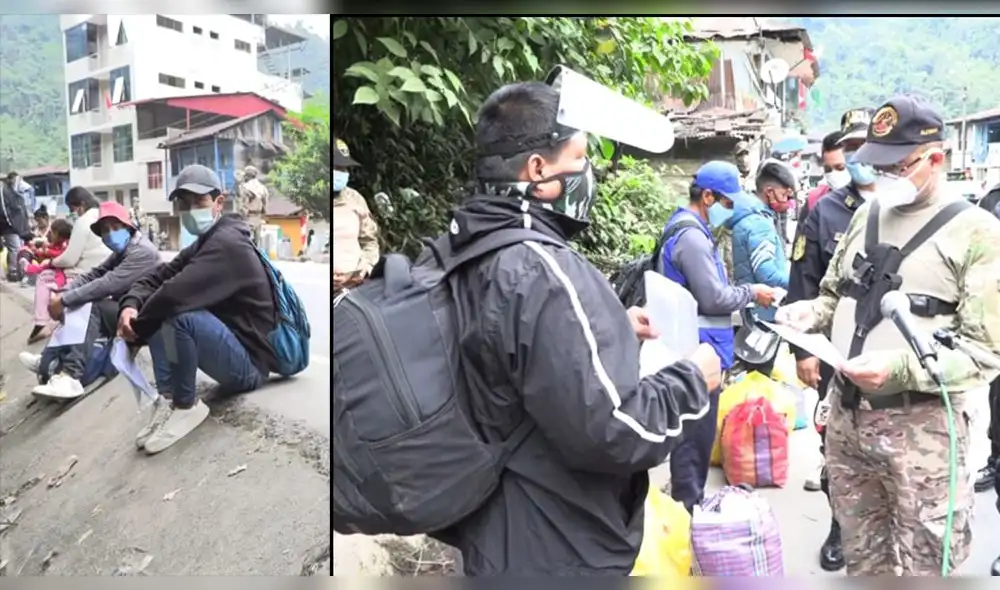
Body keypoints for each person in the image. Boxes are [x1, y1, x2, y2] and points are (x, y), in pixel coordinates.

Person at [430, 81, 718, 576]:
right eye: (581, 158)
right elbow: (614, 431)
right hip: (555, 539)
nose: (588, 172)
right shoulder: (541, 269)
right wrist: (693, 379)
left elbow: (503, 356)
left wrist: (611, 327)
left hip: (491, 525)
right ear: (538, 170)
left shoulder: (460, 247)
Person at [777, 95, 1000, 576]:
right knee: (863, 557)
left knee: (925, 565)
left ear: (935, 158)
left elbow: (985, 353)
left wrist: (899, 368)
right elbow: (836, 293)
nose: (883, 177)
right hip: (848, 421)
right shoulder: (868, 215)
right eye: (877, 165)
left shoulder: (978, 233)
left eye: (897, 166)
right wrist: (810, 314)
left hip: (923, 432)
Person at [116, 165, 278, 455]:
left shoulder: (227, 244)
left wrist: (135, 333)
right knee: (159, 311)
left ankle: (186, 405)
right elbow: (158, 276)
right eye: (185, 203)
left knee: (176, 314)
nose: (191, 210)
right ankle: (169, 400)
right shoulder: (208, 240)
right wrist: (130, 305)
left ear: (219, 202)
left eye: (199, 201)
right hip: (228, 349)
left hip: (249, 366)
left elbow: (173, 294)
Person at [785, 107, 877, 572]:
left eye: (864, 147)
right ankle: (841, 524)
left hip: (891, 356)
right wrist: (803, 352)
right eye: (850, 150)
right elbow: (803, 281)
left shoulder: (906, 207)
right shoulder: (823, 210)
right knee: (835, 445)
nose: (858, 159)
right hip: (835, 354)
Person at [658, 160, 778, 513]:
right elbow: (712, 298)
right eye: (727, 202)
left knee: (691, 429)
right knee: (695, 433)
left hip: (698, 346)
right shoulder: (693, 239)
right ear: (708, 197)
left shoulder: (687, 227)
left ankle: (686, 496)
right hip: (700, 350)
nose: (730, 209)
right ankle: (688, 506)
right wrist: (752, 292)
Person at [19, 201, 160, 399]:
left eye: (115, 227)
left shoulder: (142, 252)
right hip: (127, 310)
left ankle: (71, 376)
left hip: (143, 317)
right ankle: (48, 358)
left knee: (89, 303)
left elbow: (107, 283)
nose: (110, 234)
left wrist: (65, 299)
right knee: (78, 300)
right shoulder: (124, 250)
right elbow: (95, 274)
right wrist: (64, 294)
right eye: (105, 230)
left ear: (128, 226)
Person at [27, 187, 111, 343]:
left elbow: (70, 259)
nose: (74, 213)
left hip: (85, 273)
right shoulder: (103, 215)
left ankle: (41, 324)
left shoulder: (84, 221)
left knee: (45, 277)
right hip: (105, 273)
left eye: (73, 209)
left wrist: (51, 262)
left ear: (81, 204)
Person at [726, 160, 792, 327]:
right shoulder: (759, 224)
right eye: (784, 195)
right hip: (765, 310)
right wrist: (799, 282)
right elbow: (767, 275)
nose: (787, 202)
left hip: (752, 307)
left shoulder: (748, 217)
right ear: (769, 192)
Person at [333, 137, 380, 295]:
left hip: (353, 286)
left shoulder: (355, 200)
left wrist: (365, 268)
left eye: (344, 168)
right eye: (336, 167)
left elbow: (370, 241)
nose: (341, 173)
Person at [20, 218, 72, 289]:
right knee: (40, 268)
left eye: (53, 233)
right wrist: (40, 251)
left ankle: (57, 285)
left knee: (60, 275)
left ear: (61, 236)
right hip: (51, 263)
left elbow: (60, 254)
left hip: (60, 266)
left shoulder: (64, 244)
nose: (51, 235)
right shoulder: (55, 243)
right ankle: (27, 267)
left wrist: (48, 251)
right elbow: (48, 249)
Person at [0, 175, 31, 280]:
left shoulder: (16, 193)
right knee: (15, 248)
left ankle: (16, 271)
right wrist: (12, 224)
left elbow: (22, 212)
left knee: (16, 248)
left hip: (15, 226)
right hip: (9, 226)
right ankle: (13, 272)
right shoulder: (4, 191)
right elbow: (5, 211)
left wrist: (25, 228)